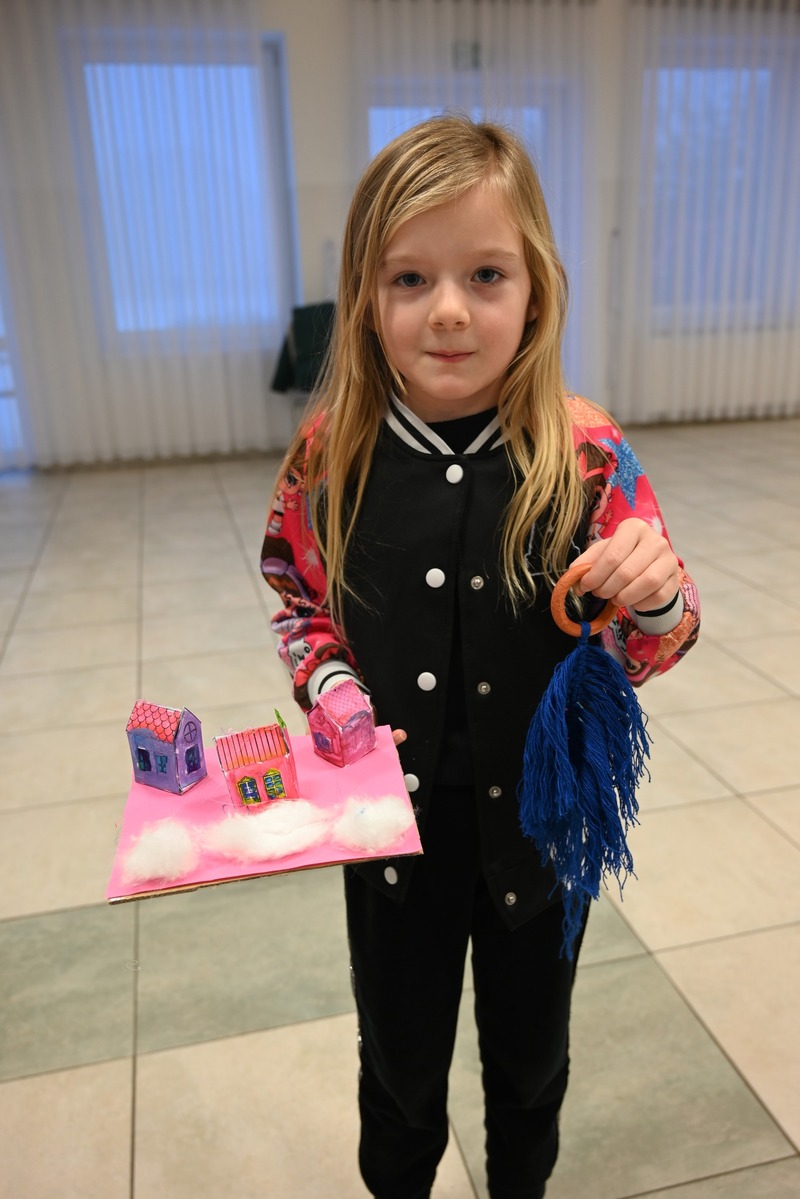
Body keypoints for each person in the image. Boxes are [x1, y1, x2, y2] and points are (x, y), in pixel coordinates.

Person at [260, 115, 700, 1199]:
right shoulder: (329, 454)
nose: (448, 309)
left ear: (535, 292)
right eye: (410, 277)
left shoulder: (587, 454)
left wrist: (653, 599)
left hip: (542, 828)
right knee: (398, 1064)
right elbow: (296, 596)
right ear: (366, 297)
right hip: (391, 834)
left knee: (531, 1059)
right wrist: (330, 685)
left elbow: (655, 638)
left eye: (485, 274)